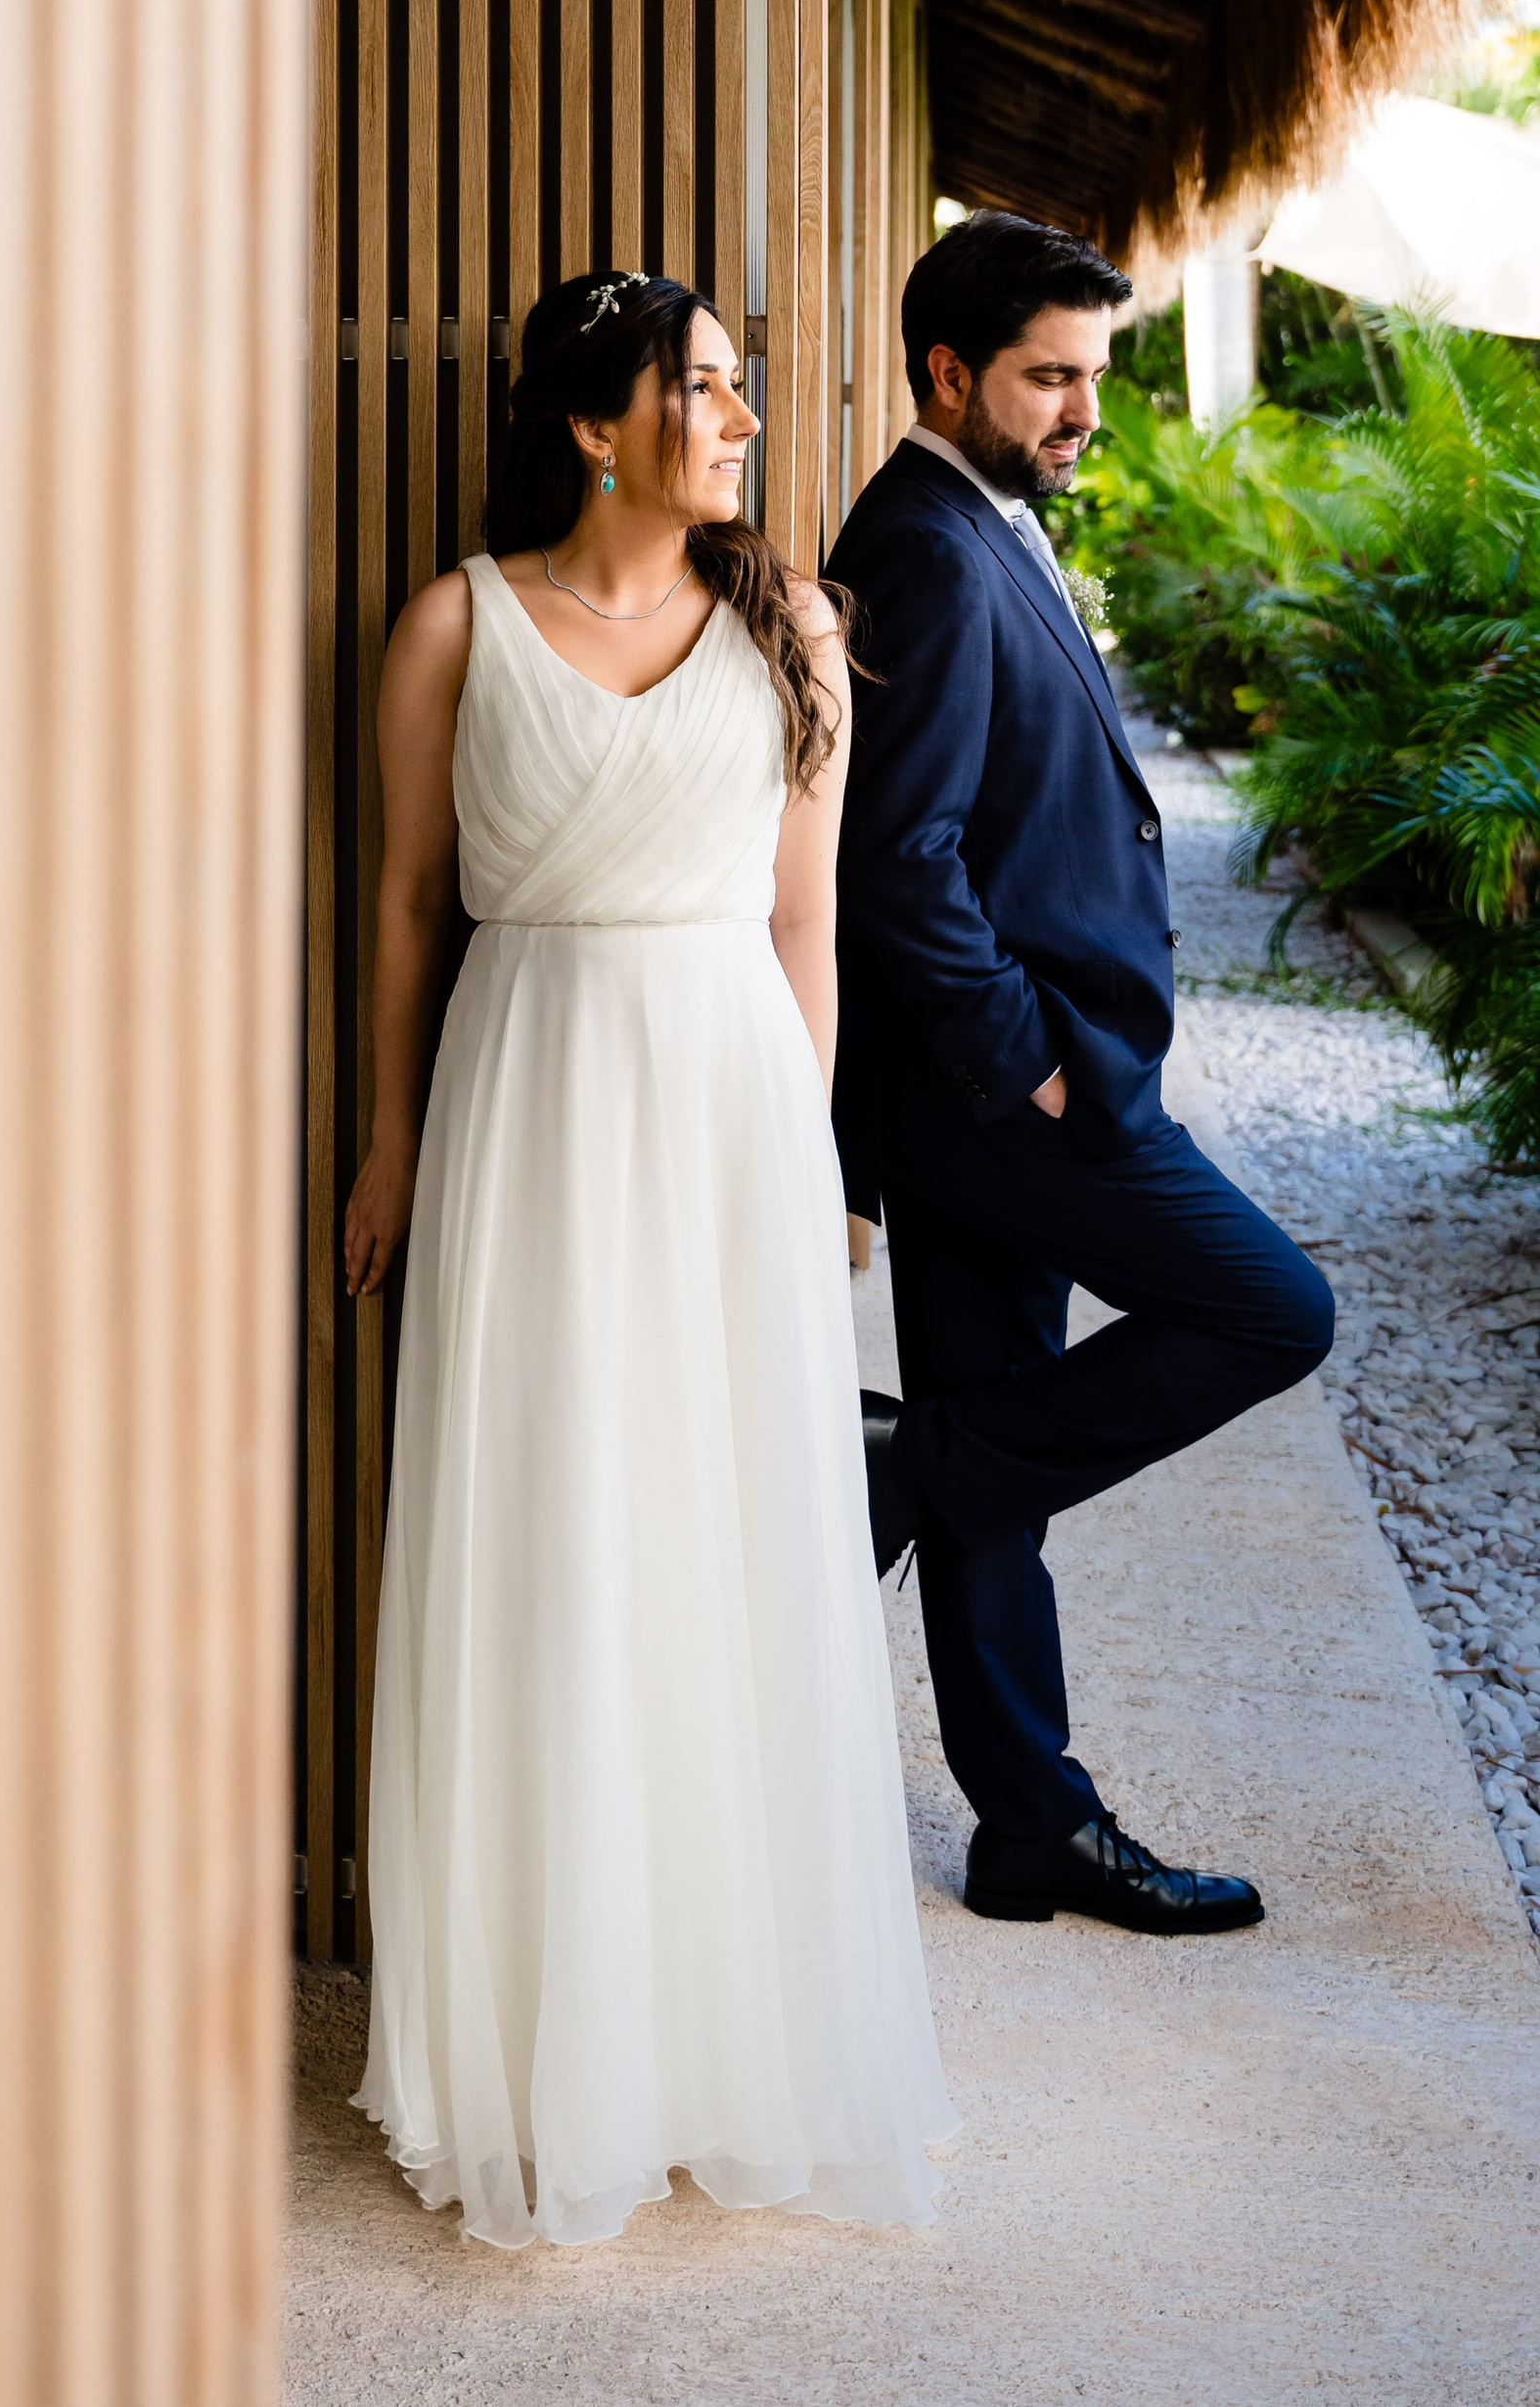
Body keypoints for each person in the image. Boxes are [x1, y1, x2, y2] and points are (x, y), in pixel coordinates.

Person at [344, 270, 954, 2250]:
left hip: (724, 1115)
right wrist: (386, 1142)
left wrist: (808, 1160)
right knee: (542, 1540)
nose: (738, 417)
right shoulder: (453, 622)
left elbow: (804, 930)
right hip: (525, 1098)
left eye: (734, 385)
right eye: (697, 389)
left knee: (718, 1541)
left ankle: (716, 2030)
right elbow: (406, 907)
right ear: (592, 423)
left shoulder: (796, 633)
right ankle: (541, 2039)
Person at [827, 211, 1336, 1935]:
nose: (1082, 411)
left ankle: (1029, 1823)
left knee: (1003, 1459)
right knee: (1274, 1309)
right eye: (1050, 377)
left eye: (1094, 375)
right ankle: (921, 1462)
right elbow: (898, 854)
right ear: (947, 373)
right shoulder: (927, 548)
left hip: (1007, 1084)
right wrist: (1029, 1065)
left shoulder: (981, 522)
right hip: (1018, 1094)